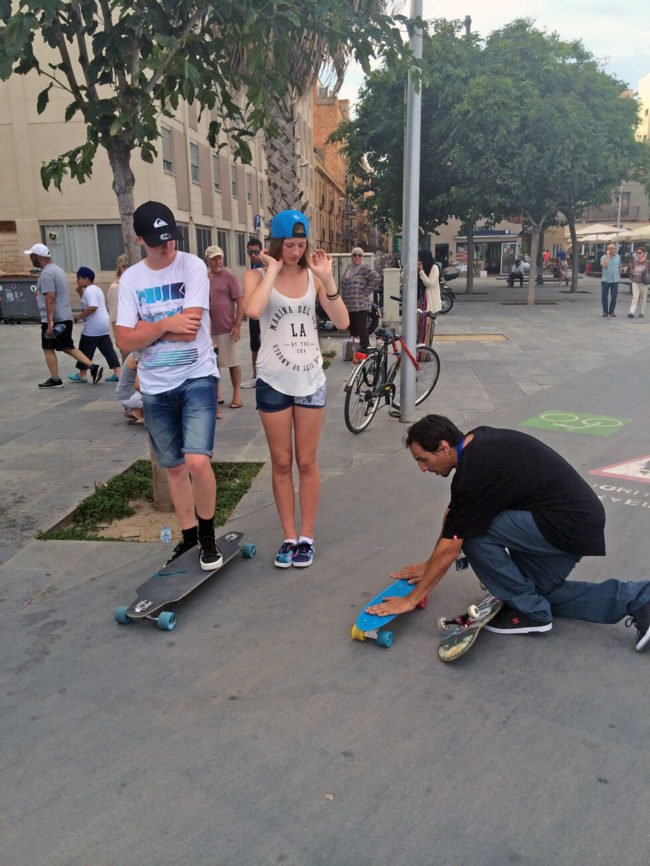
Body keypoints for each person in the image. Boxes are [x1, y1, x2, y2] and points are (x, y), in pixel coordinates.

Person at [366, 414, 650, 652]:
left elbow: (453, 543)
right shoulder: (478, 443)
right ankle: (639, 599)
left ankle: (531, 611)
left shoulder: (473, 472)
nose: (422, 468)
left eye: (423, 459)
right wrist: (429, 565)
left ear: (442, 447)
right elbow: (453, 515)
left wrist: (412, 598)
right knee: (537, 591)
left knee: (474, 534)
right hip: (576, 524)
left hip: (564, 525)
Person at [115, 201, 221, 571]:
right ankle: (188, 536)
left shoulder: (192, 266)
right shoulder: (132, 280)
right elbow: (124, 341)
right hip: (155, 387)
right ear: (140, 238)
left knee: (196, 460)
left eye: (171, 238)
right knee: (173, 467)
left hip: (197, 376)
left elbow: (191, 325)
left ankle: (208, 536)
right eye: (158, 241)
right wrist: (165, 324)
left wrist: (148, 329)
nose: (167, 247)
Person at [243, 209, 349, 568]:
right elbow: (253, 311)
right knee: (282, 461)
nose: (295, 250)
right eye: (289, 244)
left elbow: (342, 321)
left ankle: (307, 535)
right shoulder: (256, 275)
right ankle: (288, 536)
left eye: (301, 244)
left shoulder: (313, 276)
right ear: (276, 243)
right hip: (273, 380)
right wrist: (271, 270)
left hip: (309, 380)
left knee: (306, 461)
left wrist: (328, 280)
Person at [25, 243, 103, 389]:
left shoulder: (47, 273)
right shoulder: (58, 270)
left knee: (48, 348)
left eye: (32, 256)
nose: (31, 259)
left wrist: (49, 322)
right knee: (67, 347)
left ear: (39, 257)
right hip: (65, 317)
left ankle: (55, 379)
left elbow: (50, 297)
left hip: (55, 319)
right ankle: (93, 367)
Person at [205, 245, 244, 410]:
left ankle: (237, 394)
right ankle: (217, 394)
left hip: (227, 328)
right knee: (213, 364)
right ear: (207, 260)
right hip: (208, 330)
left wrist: (237, 325)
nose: (217, 261)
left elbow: (240, 301)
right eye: (214, 258)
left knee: (233, 362)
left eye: (219, 257)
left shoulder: (230, 276)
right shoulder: (204, 277)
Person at [69, 267, 121, 383]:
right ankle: (118, 372)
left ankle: (82, 374)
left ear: (85, 279)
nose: (77, 281)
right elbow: (85, 298)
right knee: (107, 349)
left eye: (79, 278)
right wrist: (79, 288)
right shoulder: (96, 289)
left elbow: (93, 306)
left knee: (85, 349)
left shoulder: (89, 290)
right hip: (103, 324)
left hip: (93, 326)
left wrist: (79, 316)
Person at [339, 246, 381, 356]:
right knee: (352, 329)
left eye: (359, 255)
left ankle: (365, 349)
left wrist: (366, 291)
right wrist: (341, 299)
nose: (357, 257)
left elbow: (377, 278)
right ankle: (356, 351)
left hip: (361, 304)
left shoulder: (364, 268)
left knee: (361, 327)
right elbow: (343, 285)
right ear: (351, 257)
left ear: (362, 257)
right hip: (349, 305)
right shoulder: (348, 269)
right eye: (354, 254)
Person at [242, 237, 264, 389]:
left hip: (266, 310)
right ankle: (256, 376)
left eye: (256, 252)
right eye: (250, 253)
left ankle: (264, 375)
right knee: (254, 344)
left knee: (266, 342)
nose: (253, 255)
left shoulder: (268, 266)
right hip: (254, 311)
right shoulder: (251, 268)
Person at [417, 250, 442, 344]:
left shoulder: (434, 268)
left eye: (420, 259)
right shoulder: (423, 269)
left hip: (430, 303)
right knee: (420, 329)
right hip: (422, 302)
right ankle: (420, 351)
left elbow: (430, 283)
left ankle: (425, 353)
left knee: (427, 329)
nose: (418, 261)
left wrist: (421, 271)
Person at [106, 253, 128, 358]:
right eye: (124, 266)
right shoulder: (115, 287)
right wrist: (118, 337)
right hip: (124, 332)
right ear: (120, 268)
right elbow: (114, 314)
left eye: (129, 266)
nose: (127, 269)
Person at [115, 351, 145, 424]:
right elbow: (138, 386)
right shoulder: (138, 356)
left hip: (127, 393)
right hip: (129, 395)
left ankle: (138, 411)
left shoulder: (140, 352)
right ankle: (138, 411)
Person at [627, 246, 649, 319]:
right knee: (635, 297)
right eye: (637, 253)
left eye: (640, 253)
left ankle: (642, 312)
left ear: (644, 253)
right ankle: (631, 312)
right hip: (635, 281)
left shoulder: (648, 262)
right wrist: (631, 268)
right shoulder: (635, 262)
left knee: (643, 298)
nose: (638, 254)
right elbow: (632, 271)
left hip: (644, 282)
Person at [600, 242, 621, 317]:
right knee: (604, 296)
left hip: (615, 280)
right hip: (606, 280)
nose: (613, 250)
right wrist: (608, 256)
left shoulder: (618, 257)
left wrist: (619, 276)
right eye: (611, 248)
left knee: (614, 295)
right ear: (607, 250)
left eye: (614, 248)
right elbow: (604, 266)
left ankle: (611, 311)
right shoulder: (603, 257)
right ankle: (605, 311)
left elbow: (619, 267)